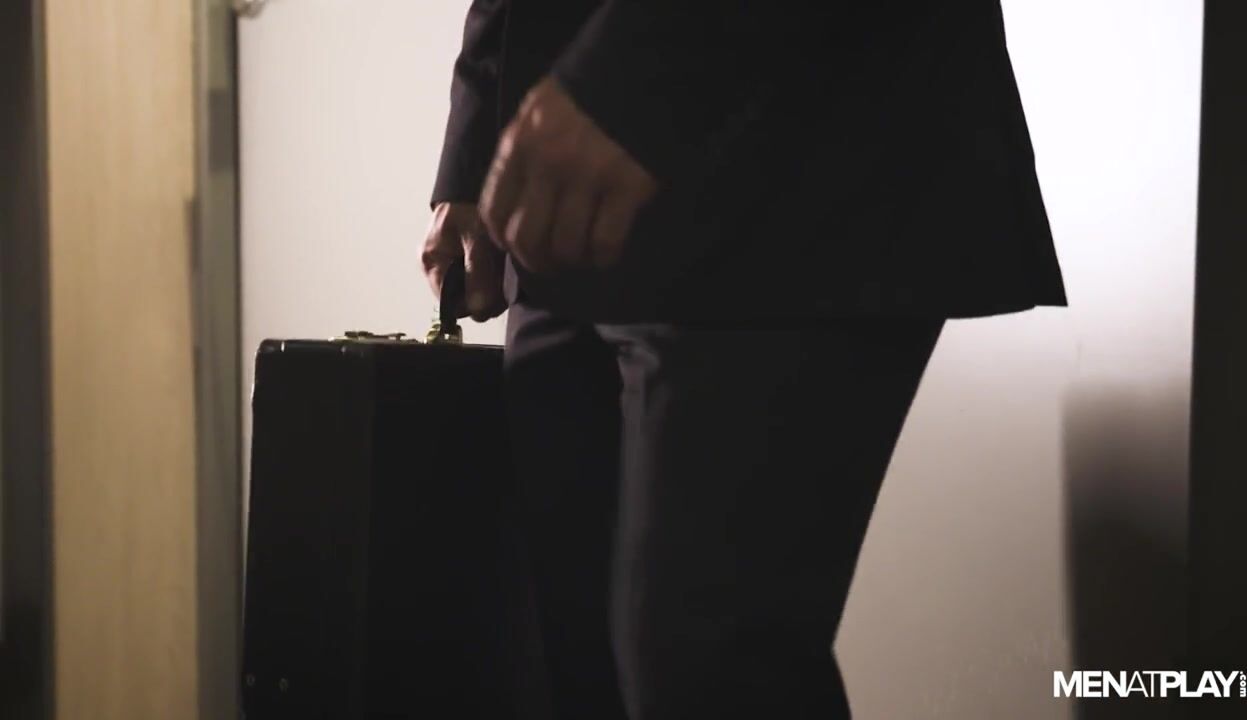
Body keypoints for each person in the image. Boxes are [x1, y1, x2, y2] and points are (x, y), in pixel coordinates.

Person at [423, 2, 1067, 718]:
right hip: (563, 193)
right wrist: (472, 157)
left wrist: (623, 74)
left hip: (797, 161)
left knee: (703, 672)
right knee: (572, 666)